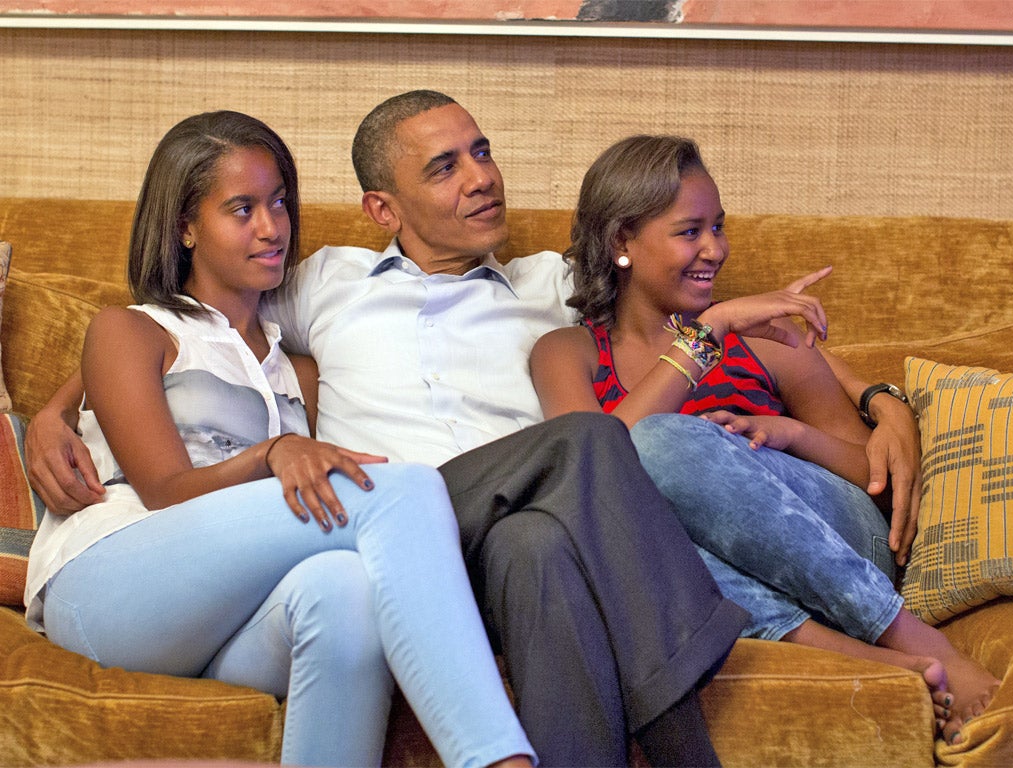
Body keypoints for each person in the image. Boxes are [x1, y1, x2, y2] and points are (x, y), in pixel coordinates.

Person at [26, 91, 920, 766]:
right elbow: (179, 327)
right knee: (585, 443)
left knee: (542, 541)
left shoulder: (548, 286)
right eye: (444, 167)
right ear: (384, 208)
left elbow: (695, 302)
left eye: (480, 152)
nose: (481, 176)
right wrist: (57, 411)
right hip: (393, 519)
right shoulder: (323, 280)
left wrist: (880, 397)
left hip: (498, 538)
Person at [23, 110, 537, 768]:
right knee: (399, 491)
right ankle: (498, 760)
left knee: (345, 588)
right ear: (185, 226)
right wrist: (56, 411)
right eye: (241, 209)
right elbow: (167, 493)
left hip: (223, 614)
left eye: (279, 203)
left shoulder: (296, 367)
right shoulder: (134, 329)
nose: (272, 228)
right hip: (109, 585)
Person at [529, 133, 1002, 744]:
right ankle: (868, 661)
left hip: (839, 547)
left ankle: (909, 633)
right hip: (696, 569)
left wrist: (793, 433)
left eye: (718, 227)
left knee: (666, 444)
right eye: (689, 231)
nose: (714, 250)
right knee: (614, 526)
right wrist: (707, 332)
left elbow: (870, 479)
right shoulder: (566, 352)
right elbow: (594, 471)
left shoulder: (766, 339)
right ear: (622, 240)